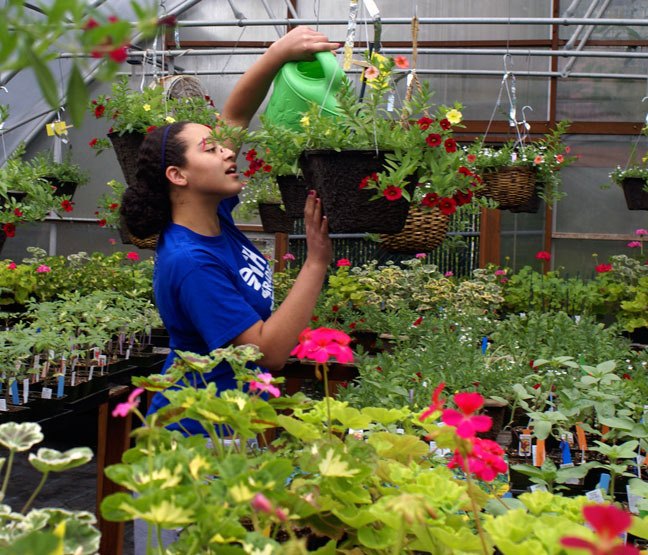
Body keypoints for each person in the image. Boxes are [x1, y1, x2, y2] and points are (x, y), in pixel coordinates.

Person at [122, 27, 337, 553]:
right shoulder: (190, 261)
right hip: (189, 448)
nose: (227, 152)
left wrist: (277, 54)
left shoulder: (211, 216)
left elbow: (236, 117)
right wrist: (316, 262)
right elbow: (266, 353)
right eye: (209, 149)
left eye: (221, 146)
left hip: (226, 431)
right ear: (178, 175)